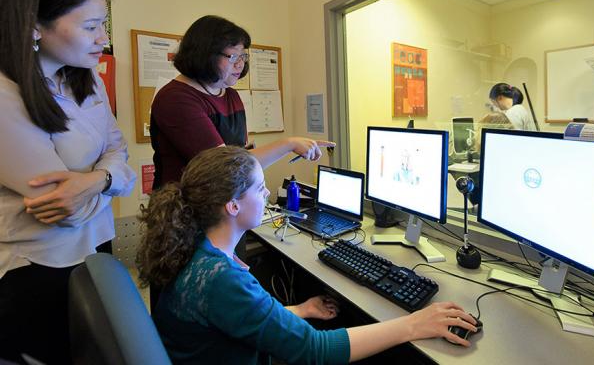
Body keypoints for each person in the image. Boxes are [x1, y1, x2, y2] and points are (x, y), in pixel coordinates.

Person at [137, 146, 478, 364]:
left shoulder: (193, 247)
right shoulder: (221, 278)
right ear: (232, 205)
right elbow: (316, 351)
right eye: (259, 187)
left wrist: (298, 309)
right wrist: (413, 324)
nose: (269, 191)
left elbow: (236, 316)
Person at [0, 0, 136, 364]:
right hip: (39, 267)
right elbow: (67, 209)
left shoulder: (83, 74)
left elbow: (120, 152)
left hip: (96, 246)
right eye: (92, 26)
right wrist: (111, 178)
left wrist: (99, 179)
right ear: (35, 25)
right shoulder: (6, 96)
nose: (104, 39)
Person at [150, 15, 333, 190]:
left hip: (224, 206)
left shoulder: (230, 95)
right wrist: (289, 144)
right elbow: (224, 167)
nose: (240, 64)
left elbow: (240, 157)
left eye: (243, 56)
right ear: (205, 55)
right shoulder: (175, 99)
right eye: (233, 57)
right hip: (184, 212)